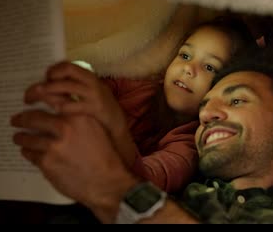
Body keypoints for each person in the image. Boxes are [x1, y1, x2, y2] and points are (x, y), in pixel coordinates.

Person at [11, 45, 273, 224]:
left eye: (237, 100)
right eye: (205, 106)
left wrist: (110, 188)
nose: (205, 115)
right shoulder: (186, 197)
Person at [21, 16, 258, 194]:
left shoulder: (188, 147)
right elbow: (100, 86)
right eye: (185, 56)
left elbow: (147, 182)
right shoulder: (141, 84)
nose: (188, 69)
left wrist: (113, 125)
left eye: (209, 67)